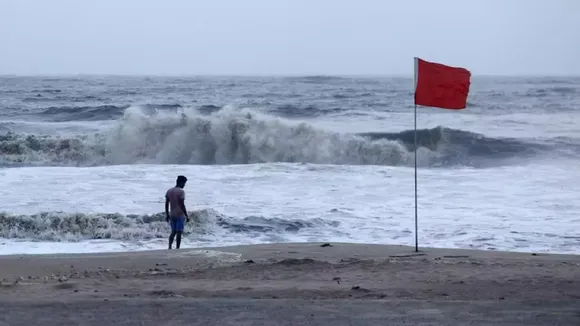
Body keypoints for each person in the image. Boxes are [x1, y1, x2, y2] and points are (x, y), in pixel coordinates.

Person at [165, 175, 189, 249]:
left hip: (172, 214)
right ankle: (177, 248)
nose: (184, 185)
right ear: (181, 182)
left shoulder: (169, 191)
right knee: (179, 232)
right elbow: (182, 204)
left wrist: (167, 214)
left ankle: (169, 247)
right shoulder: (181, 192)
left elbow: (166, 203)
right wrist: (186, 215)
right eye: (184, 183)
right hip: (179, 214)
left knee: (173, 232)